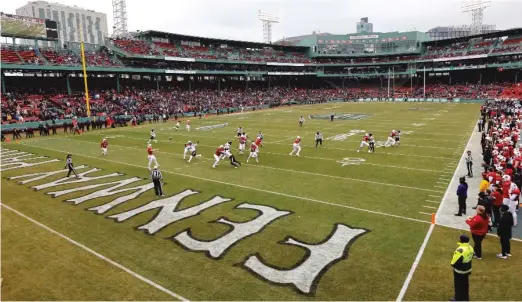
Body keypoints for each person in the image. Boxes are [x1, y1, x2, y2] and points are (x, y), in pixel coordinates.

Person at [450, 235, 474, 301]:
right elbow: (471, 256)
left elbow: (453, 262)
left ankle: (457, 298)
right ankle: (465, 298)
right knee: (465, 284)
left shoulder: (460, 250)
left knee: (458, 285)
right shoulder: (470, 247)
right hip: (468, 269)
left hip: (459, 271)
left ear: (462, 240)